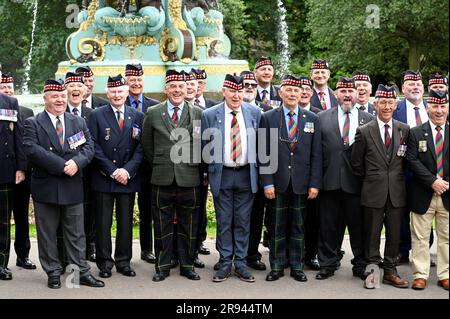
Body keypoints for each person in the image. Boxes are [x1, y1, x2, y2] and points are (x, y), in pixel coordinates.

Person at [23, 78, 104, 289]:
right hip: (46, 186)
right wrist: (61, 165)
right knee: (47, 234)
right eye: (54, 96)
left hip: (72, 185)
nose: (59, 100)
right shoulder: (33, 123)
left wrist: (77, 163)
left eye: (62, 95)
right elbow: (31, 149)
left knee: (76, 233)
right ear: (45, 99)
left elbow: (89, 148)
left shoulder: (78, 121)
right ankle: (53, 272)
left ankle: (80, 273)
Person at [142, 70, 203, 282]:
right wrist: (161, 163)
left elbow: (200, 144)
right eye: (173, 86)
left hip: (189, 177)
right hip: (162, 177)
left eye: (181, 87)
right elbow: (147, 146)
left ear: (187, 89)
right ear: (166, 89)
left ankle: (187, 265)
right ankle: (163, 266)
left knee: (189, 225)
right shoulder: (153, 112)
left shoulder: (198, 113)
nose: (177, 90)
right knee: (161, 224)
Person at [261, 75, 322, 282]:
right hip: (277, 183)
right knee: (277, 226)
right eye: (289, 90)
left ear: (302, 94)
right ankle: (277, 267)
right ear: (281, 92)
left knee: (298, 226)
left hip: (301, 184)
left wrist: (314, 183)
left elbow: (316, 155)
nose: (293, 94)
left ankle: (297, 266)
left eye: (297, 91)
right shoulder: (268, 117)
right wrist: (267, 182)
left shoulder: (312, 119)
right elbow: (263, 152)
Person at [202, 74, 261, 283]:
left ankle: (242, 264)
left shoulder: (255, 112)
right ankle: (225, 263)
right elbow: (205, 146)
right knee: (224, 221)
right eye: (232, 91)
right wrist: (206, 174)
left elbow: (261, 145)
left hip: (246, 174)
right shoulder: (209, 114)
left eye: (240, 91)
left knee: (243, 222)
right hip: (222, 174)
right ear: (224, 92)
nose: (236, 95)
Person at [351, 84, 410, 289]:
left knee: (394, 234)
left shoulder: (404, 129)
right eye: (382, 102)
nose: (386, 106)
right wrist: (372, 179)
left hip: (396, 192)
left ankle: (391, 271)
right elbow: (356, 163)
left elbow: (406, 161)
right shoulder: (364, 131)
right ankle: (373, 270)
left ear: (396, 104)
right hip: (372, 191)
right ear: (375, 104)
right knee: (372, 234)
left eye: (390, 102)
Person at [316, 77, 374, 280]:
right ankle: (327, 264)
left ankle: (360, 265)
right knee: (328, 227)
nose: (347, 95)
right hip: (329, 181)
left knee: (358, 228)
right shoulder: (322, 117)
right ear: (336, 94)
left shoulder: (368, 119)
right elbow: (316, 153)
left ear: (357, 94)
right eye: (343, 91)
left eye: (351, 91)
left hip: (357, 184)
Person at [88, 75, 144, 279]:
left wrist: (127, 171)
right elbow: (93, 146)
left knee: (125, 222)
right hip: (104, 177)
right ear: (107, 93)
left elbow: (141, 148)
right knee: (103, 224)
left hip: (127, 178)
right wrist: (112, 170)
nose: (117, 95)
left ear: (127, 92)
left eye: (120, 91)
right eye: (113, 91)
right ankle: (104, 263)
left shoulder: (137, 115)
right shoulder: (96, 115)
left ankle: (123, 261)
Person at [406, 90, 449, 291]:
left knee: (446, 238)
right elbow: (412, 161)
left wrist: (444, 183)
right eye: (435, 106)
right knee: (420, 237)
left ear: (447, 108)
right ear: (428, 107)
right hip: (423, 192)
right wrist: (433, 181)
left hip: (447, 193)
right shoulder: (415, 132)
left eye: (443, 106)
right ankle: (420, 274)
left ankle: (445, 274)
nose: (439, 111)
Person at [0, 72, 36, 270]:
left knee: (20, 216)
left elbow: (24, 141)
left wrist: (23, 168)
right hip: (4, 171)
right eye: (4, 87)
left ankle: (22, 255)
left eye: (9, 87)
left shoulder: (23, 109)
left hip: (19, 173)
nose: (7, 90)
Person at [124, 63, 159, 264]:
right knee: (125, 212)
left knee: (147, 211)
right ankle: (124, 252)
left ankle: (147, 250)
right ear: (126, 81)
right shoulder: (119, 102)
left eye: (139, 80)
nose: (136, 83)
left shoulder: (153, 106)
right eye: (132, 80)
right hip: (124, 167)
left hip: (146, 168)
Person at [393, 70, 429, 265]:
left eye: (418, 84)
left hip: (428, 171)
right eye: (410, 84)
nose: (415, 87)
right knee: (402, 212)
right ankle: (402, 250)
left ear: (423, 88)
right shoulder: (395, 108)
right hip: (401, 170)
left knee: (426, 211)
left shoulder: (432, 108)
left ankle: (422, 252)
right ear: (403, 88)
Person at [64, 71, 96, 263]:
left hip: (88, 172)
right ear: (65, 90)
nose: (75, 90)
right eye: (71, 86)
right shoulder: (59, 111)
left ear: (85, 90)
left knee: (88, 213)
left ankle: (88, 247)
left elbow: (94, 144)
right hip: (65, 172)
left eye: (79, 86)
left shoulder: (93, 114)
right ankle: (66, 254)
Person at [297, 76, 321, 271]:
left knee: (312, 221)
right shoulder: (279, 114)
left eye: (307, 89)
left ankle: (311, 255)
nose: (304, 92)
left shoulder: (319, 116)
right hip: (288, 178)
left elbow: (318, 153)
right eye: (300, 88)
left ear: (312, 93)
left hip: (309, 179)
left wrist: (315, 182)